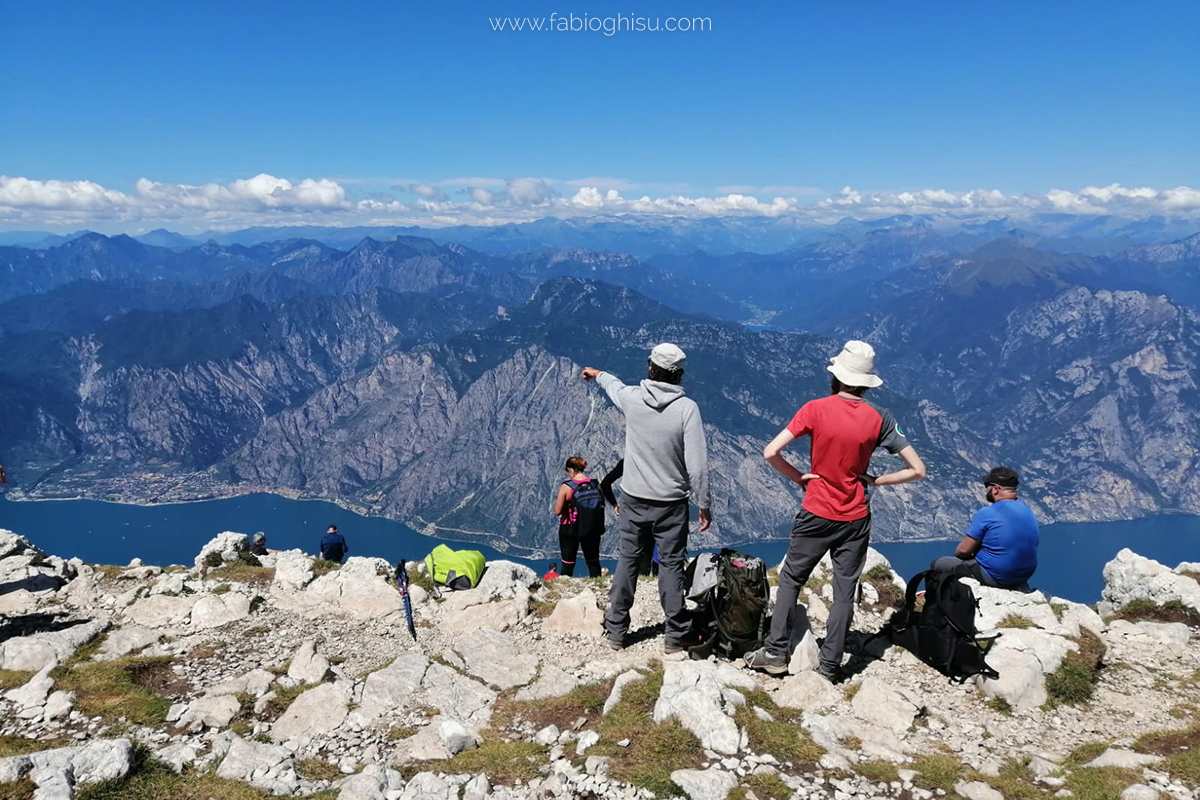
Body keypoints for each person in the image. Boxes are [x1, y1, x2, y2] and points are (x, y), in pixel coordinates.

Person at [745, 341, 926, 682]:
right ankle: (830, 666)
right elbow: (918, 469)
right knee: (845, 590)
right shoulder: (880, 419)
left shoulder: (815, 409)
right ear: (866, 382)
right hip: (855, 516)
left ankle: (775, 652)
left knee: (791, 581)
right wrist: (877, 480)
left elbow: (771, 452)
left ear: (835, 376)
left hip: (816, 509)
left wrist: (799, 476)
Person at [582, 342, 712, 654]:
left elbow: (613, 386)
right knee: (670, 565)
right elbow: (697, 465)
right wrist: (704, 504)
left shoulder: (632, 399)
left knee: (627, 561)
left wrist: (597, 374)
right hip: (671, 505)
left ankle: (616, 630)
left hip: (633, 500)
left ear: (650, 368)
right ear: (678, 375)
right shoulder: (686, 409)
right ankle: (674, 635)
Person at [931, 467, 1039, 589]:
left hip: (998, 576)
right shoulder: (1029, 511)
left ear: (996, 489)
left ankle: (943, 603)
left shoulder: (989, 512)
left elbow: (963, 551)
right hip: (1024, 576)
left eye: (987, 486)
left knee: (939, 563)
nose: (985, 490)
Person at [601, 459, 658, 576]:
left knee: (632, 550)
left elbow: (605, 484)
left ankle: (634, 581)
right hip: (654, 509)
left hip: (632, 511)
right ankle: (648, 579)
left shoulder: (627, 461)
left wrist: (614, 504)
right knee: (650, 549)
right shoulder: (655, 459)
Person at [552, 456, 605, 577]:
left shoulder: (567, 487)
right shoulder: (595, 484)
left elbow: (557, 511)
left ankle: (565, 591)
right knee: (593, 563)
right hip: (591, 528)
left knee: (568, 564)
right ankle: (597, 586)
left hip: (570, 529)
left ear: (570, 470)